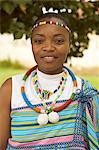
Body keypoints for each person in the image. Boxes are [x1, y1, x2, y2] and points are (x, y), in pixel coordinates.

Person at [0, 12, 99, 150]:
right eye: (39, 41)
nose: (48, 47)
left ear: (69, 44)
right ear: (32, 45)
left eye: (58, 41)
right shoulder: (11, 89)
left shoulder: (84, 92)